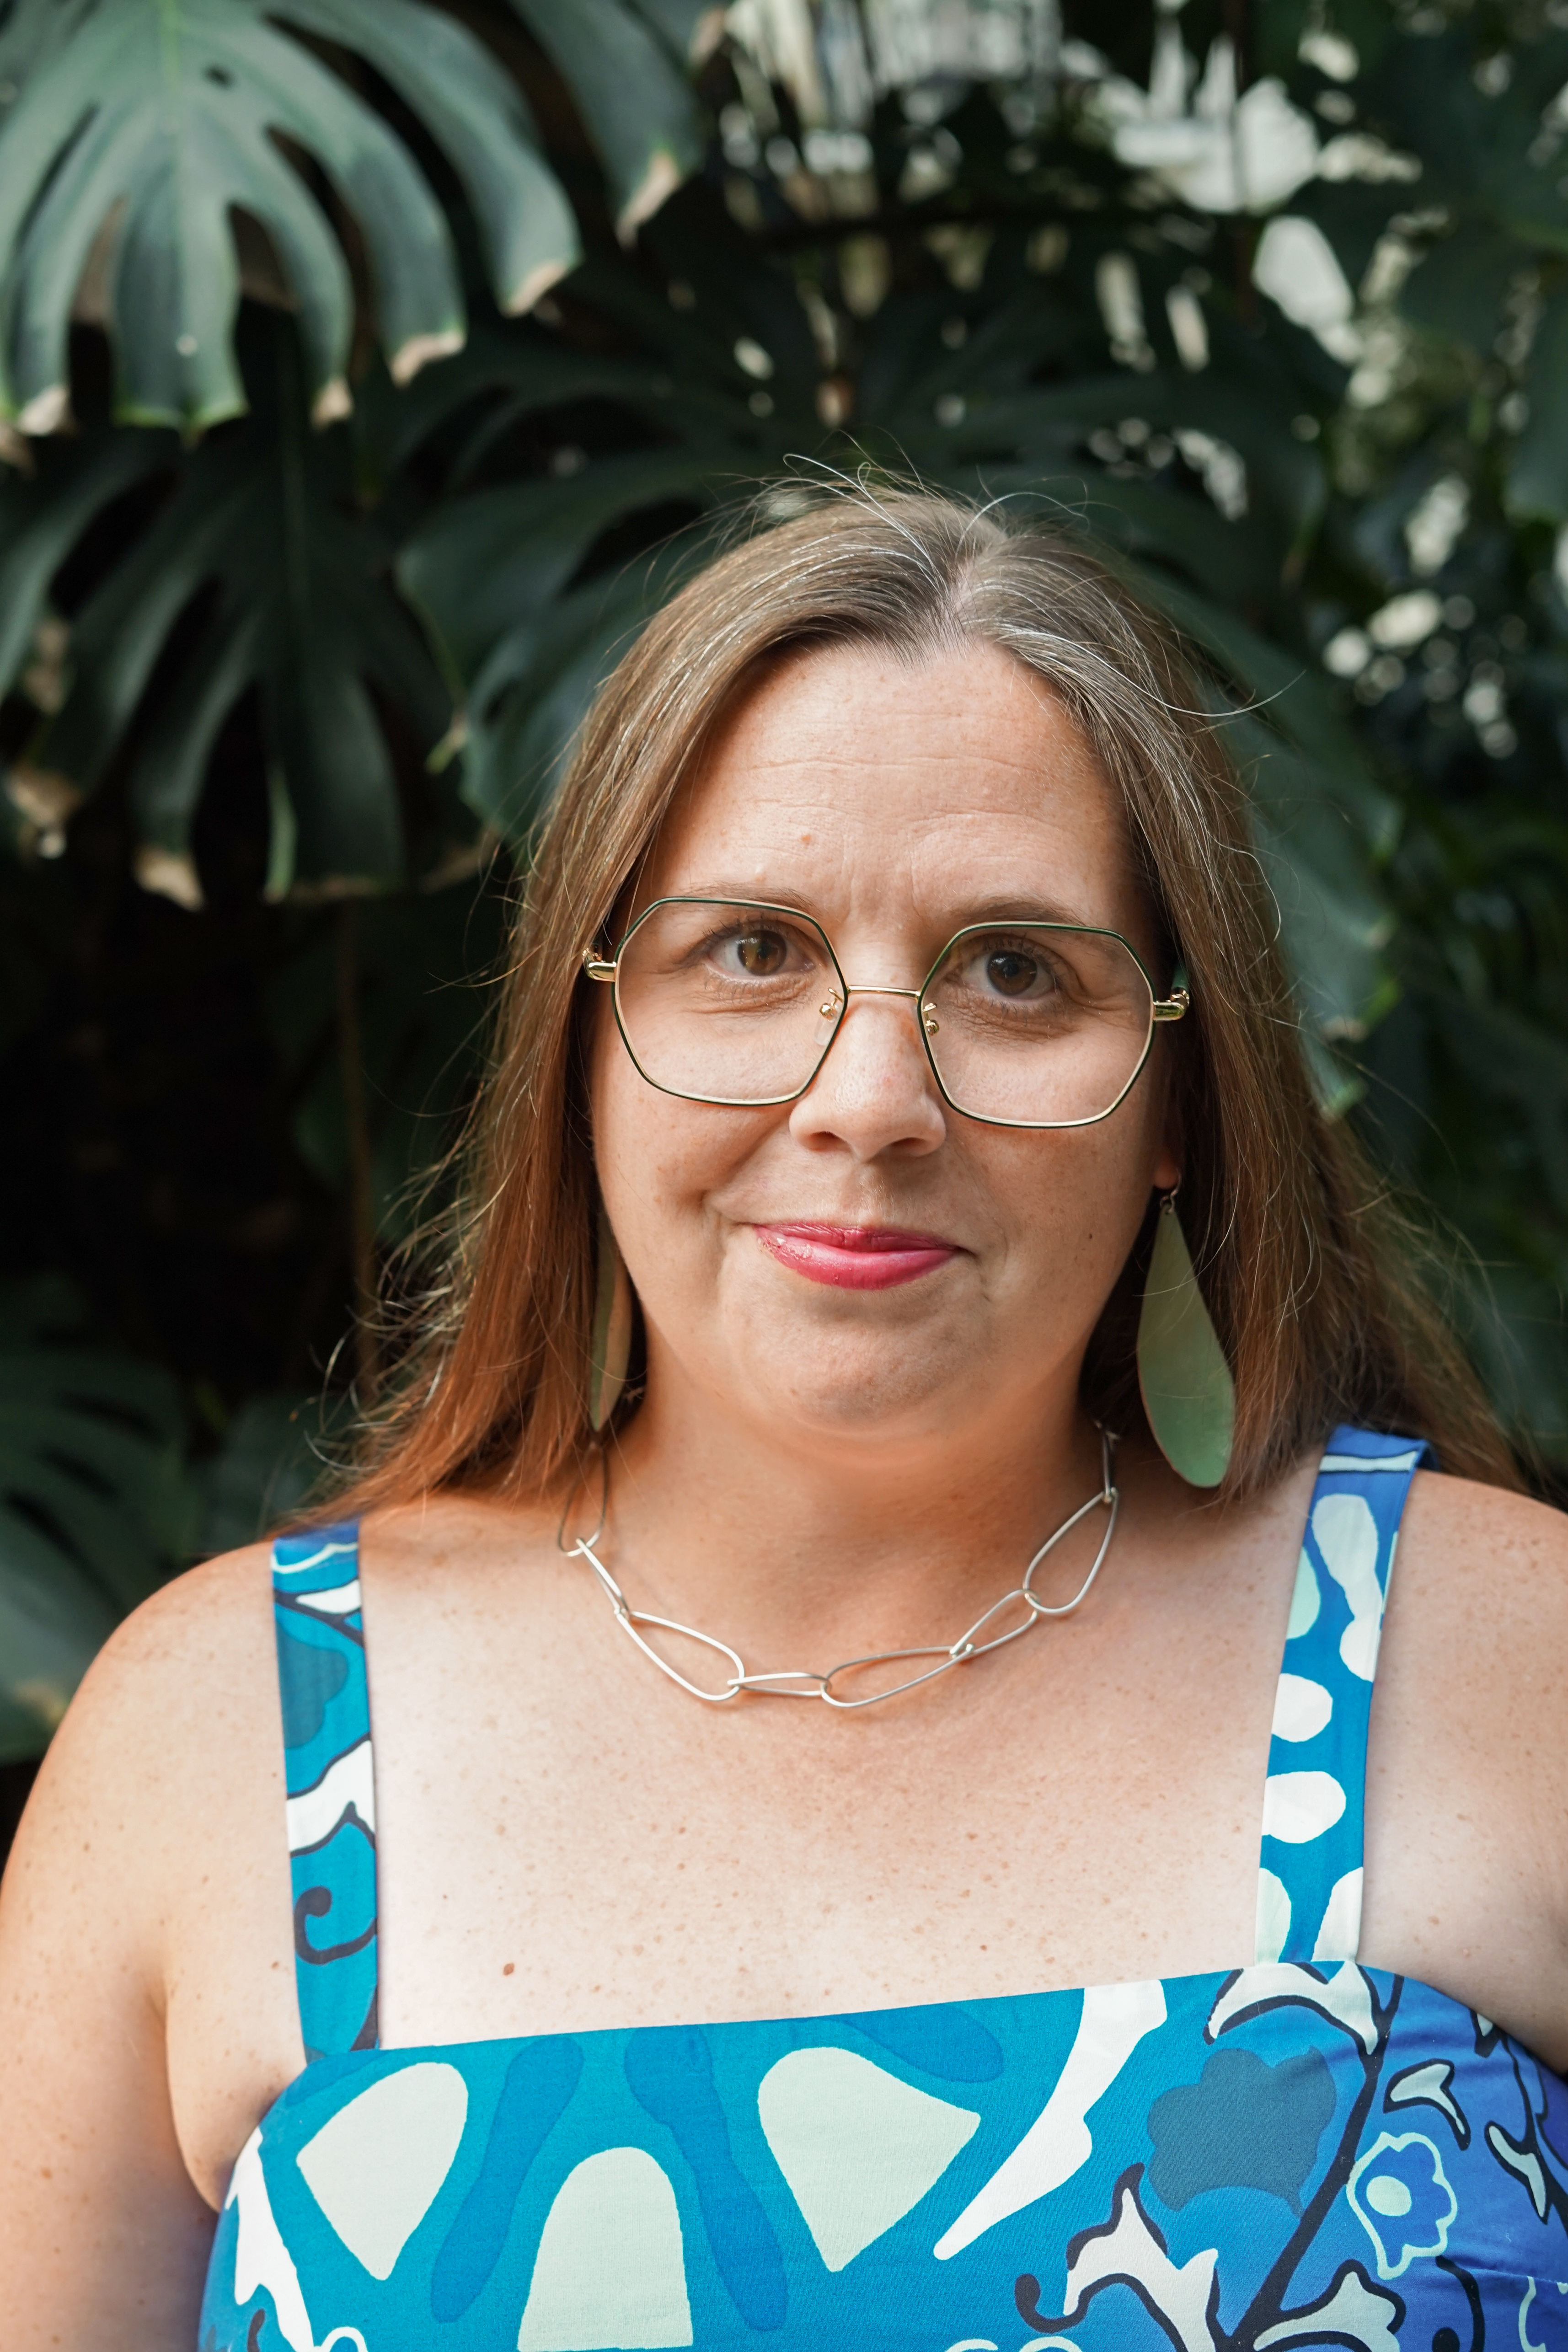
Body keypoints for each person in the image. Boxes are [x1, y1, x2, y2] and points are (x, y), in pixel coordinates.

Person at [2, 486, 1565, 2352]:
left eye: (1015, 969)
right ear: (582, 1043)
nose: (871, 1097)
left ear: (1179, 1098)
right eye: (751, 949)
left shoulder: (1510, 1663)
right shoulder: (220, 1733)